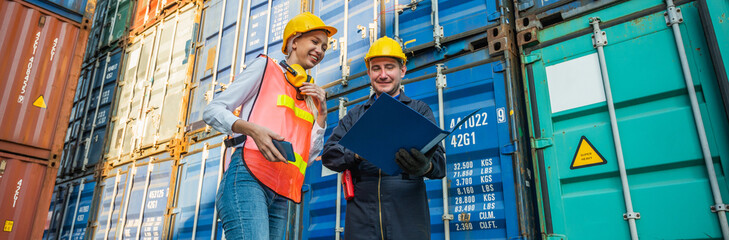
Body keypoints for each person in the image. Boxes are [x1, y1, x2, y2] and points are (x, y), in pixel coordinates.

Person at [203, 12, 336, 240]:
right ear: (294, 42)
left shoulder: (311, 96)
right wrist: (251, 129)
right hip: (248, 179)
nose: (320, 51)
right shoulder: (266, 67)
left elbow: (309, 154)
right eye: (314, 42)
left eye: (324, 47)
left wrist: (322, 115)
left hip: (281, 192)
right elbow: (212, 110)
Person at [321, 36, 446, 240]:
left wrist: (426, 167)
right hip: (362, 219)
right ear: (369, 72)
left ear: (402, 70)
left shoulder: (419, 111)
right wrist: (357, 153)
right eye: (376, 68)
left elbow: (440, 165)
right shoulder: (355, 115)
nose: (383, 75)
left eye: (390, 67)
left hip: (408, 217)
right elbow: (329, 156)